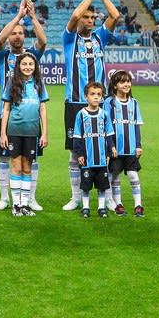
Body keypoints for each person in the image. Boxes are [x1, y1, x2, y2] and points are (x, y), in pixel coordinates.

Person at [61, 0, 119, 211]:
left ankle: (110, 198)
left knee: (106, 149)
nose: (90, 20)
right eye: (87, 17)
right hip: (75, 103)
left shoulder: (100, 38)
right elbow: (74, 16)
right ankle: (76, 197)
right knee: (76, 153)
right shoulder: (69, 39)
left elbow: (115, 16)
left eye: (93, 17)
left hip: (101, 103)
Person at [0, 0, 47, 212]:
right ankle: (5, 198)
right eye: (13, 33)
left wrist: (32, 17)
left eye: (20, 33)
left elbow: (43, 41)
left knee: (30, 159)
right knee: (4, 157)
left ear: (24, 36)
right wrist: (18, 17)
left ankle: (30, 198)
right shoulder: (2, 56)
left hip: (30, 117)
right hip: (6, 115)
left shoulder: (30, 57)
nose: (17, 36)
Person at [0, 52, 48, 217]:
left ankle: (25, 205)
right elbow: (6, 109)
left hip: (32, 132)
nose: (28, 67)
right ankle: (16, 204)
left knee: (27, 168)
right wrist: (3, 134)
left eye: (31, 64)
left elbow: (42, 109)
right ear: (18, 66)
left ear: (35, 67)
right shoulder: (12, 83)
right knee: (16, 166)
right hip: (14, 131)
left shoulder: (39, 84)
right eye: (24, 64)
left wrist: (45, 133)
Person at [72, 81, 115, 218]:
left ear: (102, 97)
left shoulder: (104, 114)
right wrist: (79, 154)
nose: (96, 97)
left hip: (102, 159)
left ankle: (101, 208)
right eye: (92, 94)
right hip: (87, 159)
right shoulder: (81, 115)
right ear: (86, 97)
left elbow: (108, 135)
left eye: (99, 94)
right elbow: (77, 136)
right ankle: (86, 207)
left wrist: (109, 152)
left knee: (102, 186)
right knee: (86, 186)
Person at [106, 70, 144, 218]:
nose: (126, 84)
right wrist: (111, 146)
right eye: (122, 82)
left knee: (134, 175)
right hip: (116, 149)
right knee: (115, 176)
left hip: (131, 149)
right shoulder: (109, 103)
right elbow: (107, 127)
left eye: (128, 81)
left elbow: (136, 125)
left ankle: (138, 205)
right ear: (115, 86)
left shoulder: (134, 103)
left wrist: (139, 145)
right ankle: (118, 204)